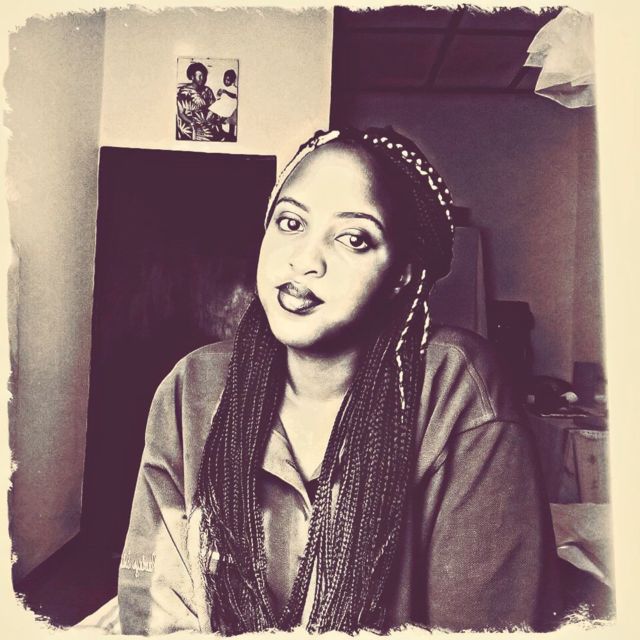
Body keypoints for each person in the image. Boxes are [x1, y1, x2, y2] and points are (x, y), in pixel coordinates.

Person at [118, 127, 560, 635]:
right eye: (290, 222)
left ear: (401, 274)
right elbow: (155, 608)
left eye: (353, 238)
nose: (305, 260)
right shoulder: (191, 386)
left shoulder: (460, 390)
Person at [176, 62, 219, 141]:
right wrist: (191, 123)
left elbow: (214, 106)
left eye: (203, 76)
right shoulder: (184, 92)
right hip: (191, 125)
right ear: (192, 77)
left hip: (208, 124)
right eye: (199, 76)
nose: (202, 78)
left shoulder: (207, 90)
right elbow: (181, 113)